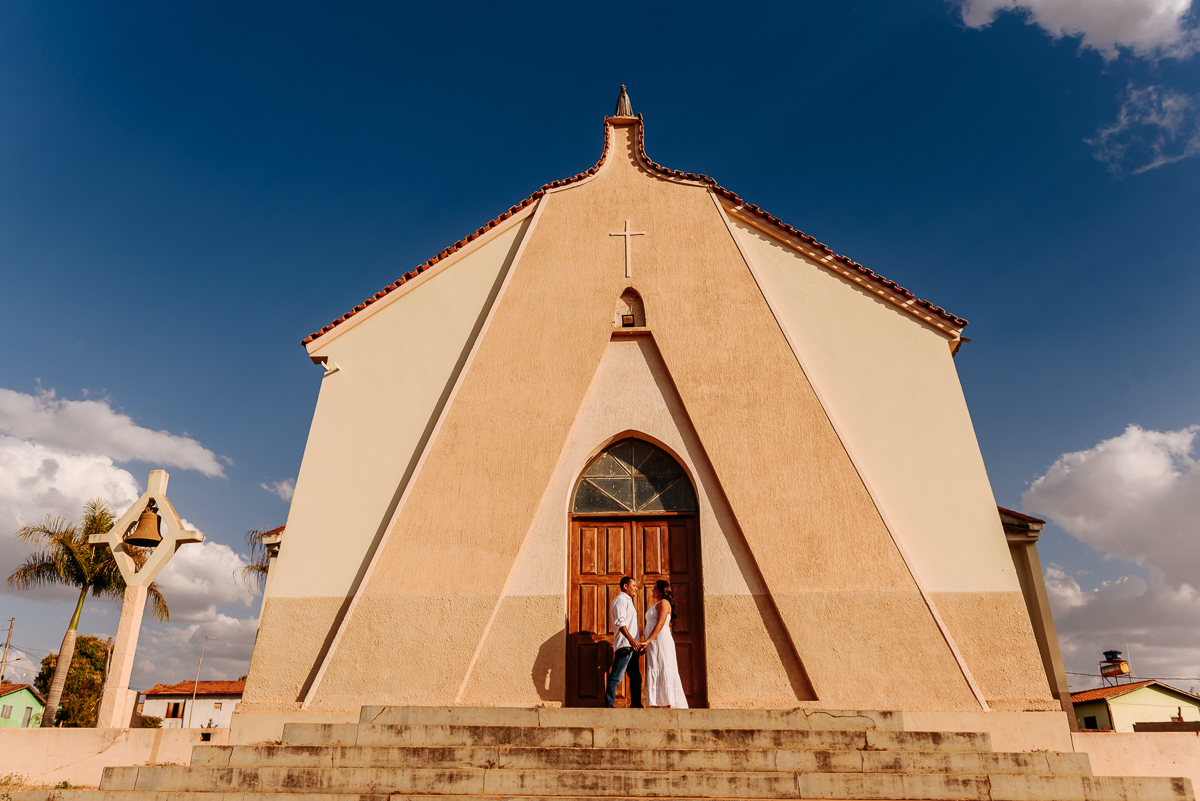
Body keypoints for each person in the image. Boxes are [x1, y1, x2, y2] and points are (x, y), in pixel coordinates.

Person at [640, 579, 688, 708]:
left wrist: (647, 641)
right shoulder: (658, 603)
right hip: (653, 644)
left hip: (661, 641)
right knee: (655, 667)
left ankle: (667, 704)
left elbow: (660, 623)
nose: (653, 590)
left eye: (655, 588)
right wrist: (648, 643)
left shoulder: (664, 603)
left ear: (662, 591)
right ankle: (658, 704)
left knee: (663, 667)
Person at [605, 576, 644, 708]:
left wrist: (636, 644)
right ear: (625, 586)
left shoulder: (629, 601)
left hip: (631, 647)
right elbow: (620, 622)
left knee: (636, 677)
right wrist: (631, 640)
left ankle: (636, 705)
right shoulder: (621, 600)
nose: (636, 588)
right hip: (625, 646)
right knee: (616, 677)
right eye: (634, 586)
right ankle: (608, 707)